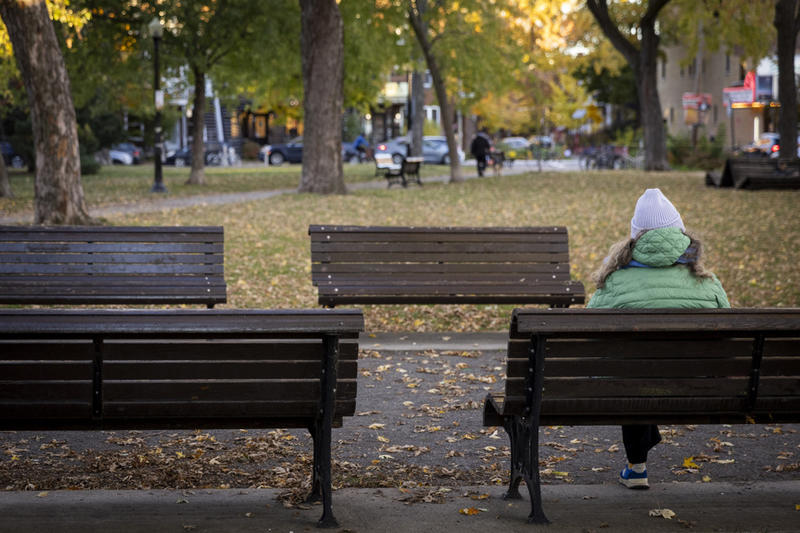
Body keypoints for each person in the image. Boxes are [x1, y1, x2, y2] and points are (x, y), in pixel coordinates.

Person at [586, 188, 730, 490]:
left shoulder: (614, 282)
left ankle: (637, 468)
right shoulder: (707, 283)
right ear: (680, 232)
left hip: (630, 386)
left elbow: (589, 339)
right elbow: (728, 338)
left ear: (635, 237)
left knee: (634, 372)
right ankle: (638, 462)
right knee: (646, 370)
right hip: (701, 385)